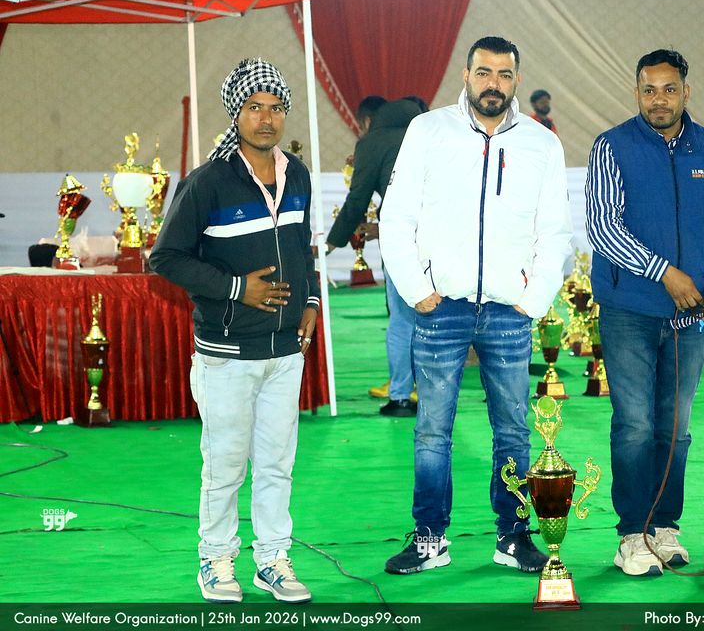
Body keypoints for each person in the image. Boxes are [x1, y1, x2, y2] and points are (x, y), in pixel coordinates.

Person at [379, 35, 573, 575]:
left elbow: (554, 229)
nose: (494, 83)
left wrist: (533, 299)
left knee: (513, 430)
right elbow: (397, 216)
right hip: (440, 307)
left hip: (510, 312)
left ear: (516, 80)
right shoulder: (428, 131)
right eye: (483, 72)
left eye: (504, 75)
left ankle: (514, 536)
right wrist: (418, 289)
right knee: (431, 430)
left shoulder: (542, 144)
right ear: (465, 76)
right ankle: (429, 539)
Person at [150, 58, 318, 604]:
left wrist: (311, 300)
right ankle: (216, 559)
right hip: (225, 354)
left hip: (285, 352)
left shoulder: (298, 175)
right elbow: (165, 257)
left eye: (276, 107)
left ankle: (272, 559)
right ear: (236, 114)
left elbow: (303, 248)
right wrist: (235, 288)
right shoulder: (207, 183)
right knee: (224, 466)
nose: (267, 119)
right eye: (254, 107)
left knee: (276, 465)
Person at [585, 49, 704, 577]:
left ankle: (665, 528)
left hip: (689, 316)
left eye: (669, 89)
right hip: (629, 309)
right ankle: (632, 534)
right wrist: (666, 274)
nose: (659, 100)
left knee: (676, 426)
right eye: (649, 90)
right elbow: (602, 227)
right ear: (637, 93)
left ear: (685, 92)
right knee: (634, 424)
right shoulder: (611, 147)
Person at [327, 97, 427, 417]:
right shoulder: (429, 132)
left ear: (367, 121)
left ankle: (401, 395)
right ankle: (434, 393)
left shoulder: (373, 142)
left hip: (402, 241)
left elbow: (357, 200)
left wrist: (332, 242)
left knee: (402, 318)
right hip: (439, 240)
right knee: (436, 318)